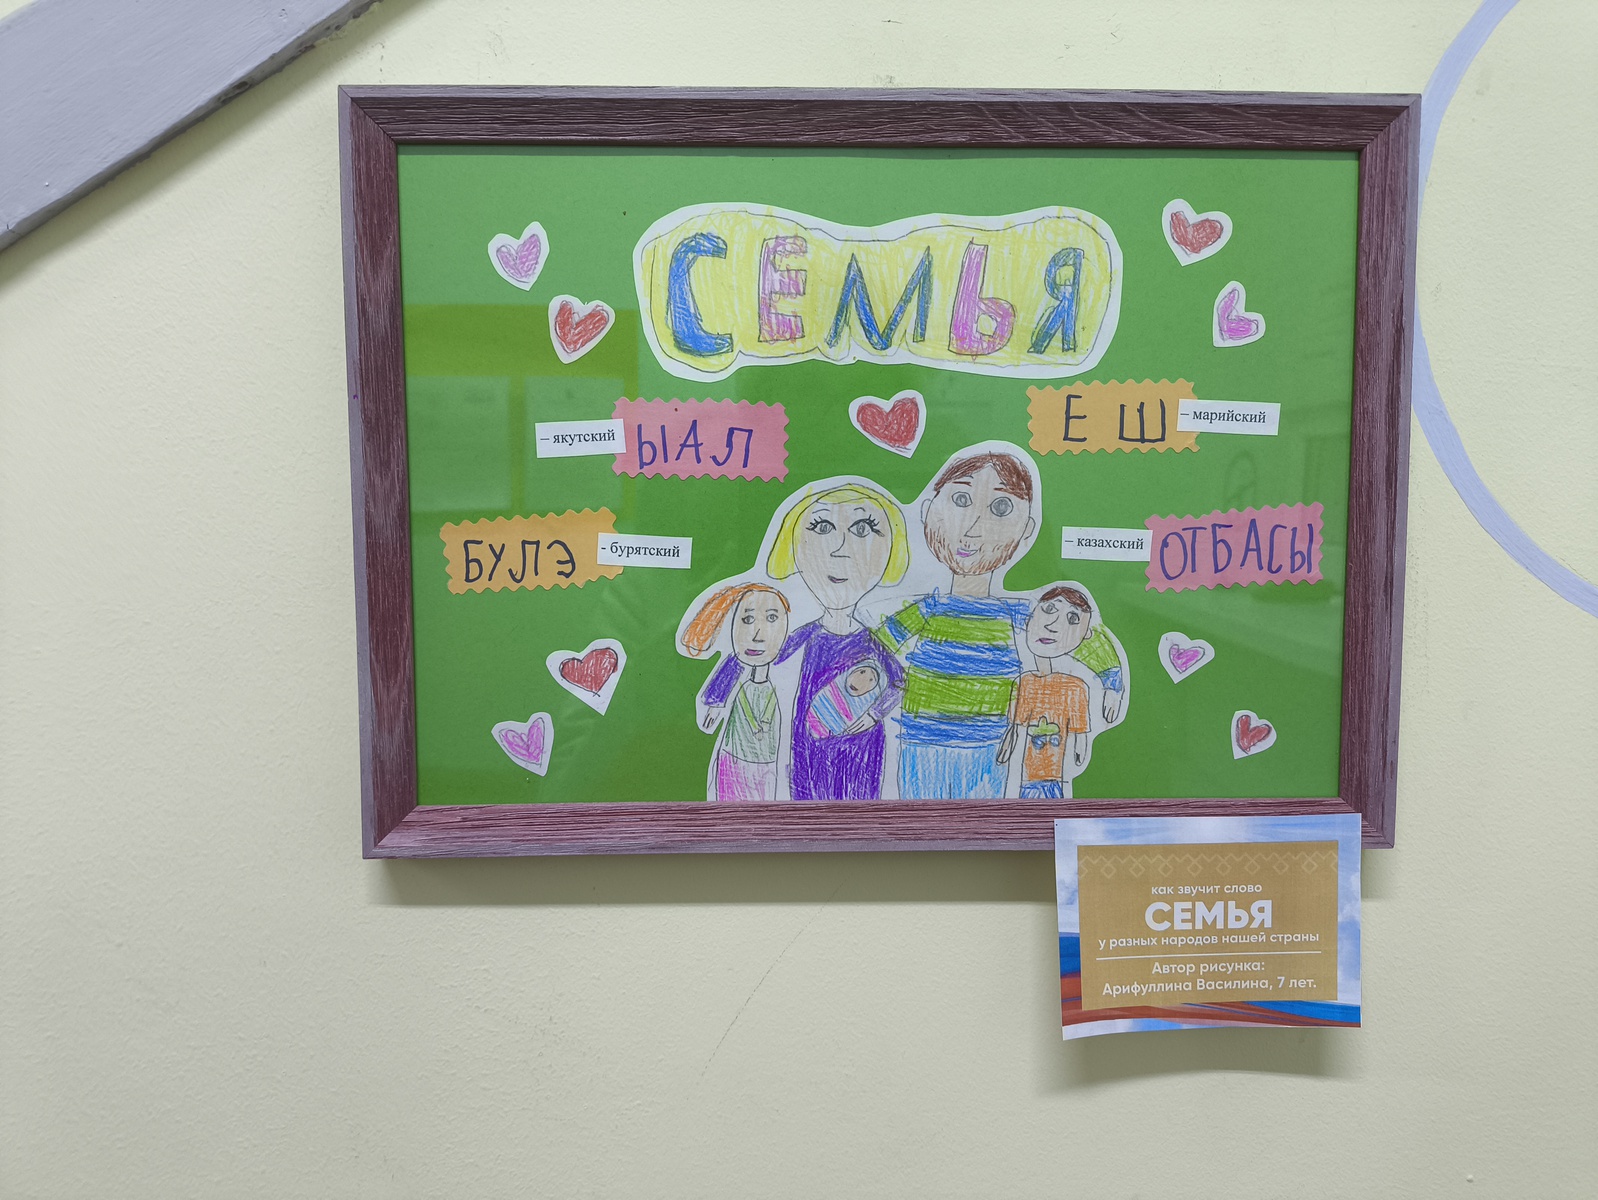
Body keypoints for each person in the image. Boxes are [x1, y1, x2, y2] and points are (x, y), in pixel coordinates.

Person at [701, 482, 907, 800]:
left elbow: (899, 682)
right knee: (808, 807)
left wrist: (873, 714)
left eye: (862, 529)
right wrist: (717, 694)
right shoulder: (804, 636)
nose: (840, 549)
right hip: (808, 745)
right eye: (822, 527)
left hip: (862, 750)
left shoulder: (873, 644)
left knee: (858, 812)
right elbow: (754, 654)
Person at [875, 449, 1037, 799]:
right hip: (922, 740)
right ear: (927, 511)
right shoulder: (928, 609)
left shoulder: (1014, 614)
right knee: (921, 821)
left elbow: (1076, 632)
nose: (972, 527)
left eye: (1000, 507)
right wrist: (893, 686)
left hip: (987, 744)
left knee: (978, 823)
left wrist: (1111, 679)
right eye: (961, 499)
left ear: (1027, 529)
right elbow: (877, 645)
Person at [682, 584, 790, 802]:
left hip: (768, 763)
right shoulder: (733, 669)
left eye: (771, 618)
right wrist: (715, 704)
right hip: (733, 760)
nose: (758, 635)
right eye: (747, 619)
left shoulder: (786, 672)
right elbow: (709, 720)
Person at [999, 586, 1095, 799]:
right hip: (1027, 778)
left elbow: (1080, 734)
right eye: (1050, 609)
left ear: (1086, 633)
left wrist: (1080, 751)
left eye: (1072, 618)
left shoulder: (1075, 687)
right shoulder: (1024, 683)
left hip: (1055, 777)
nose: (1053, 626)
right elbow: (1015, 727)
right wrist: (1005, 748)